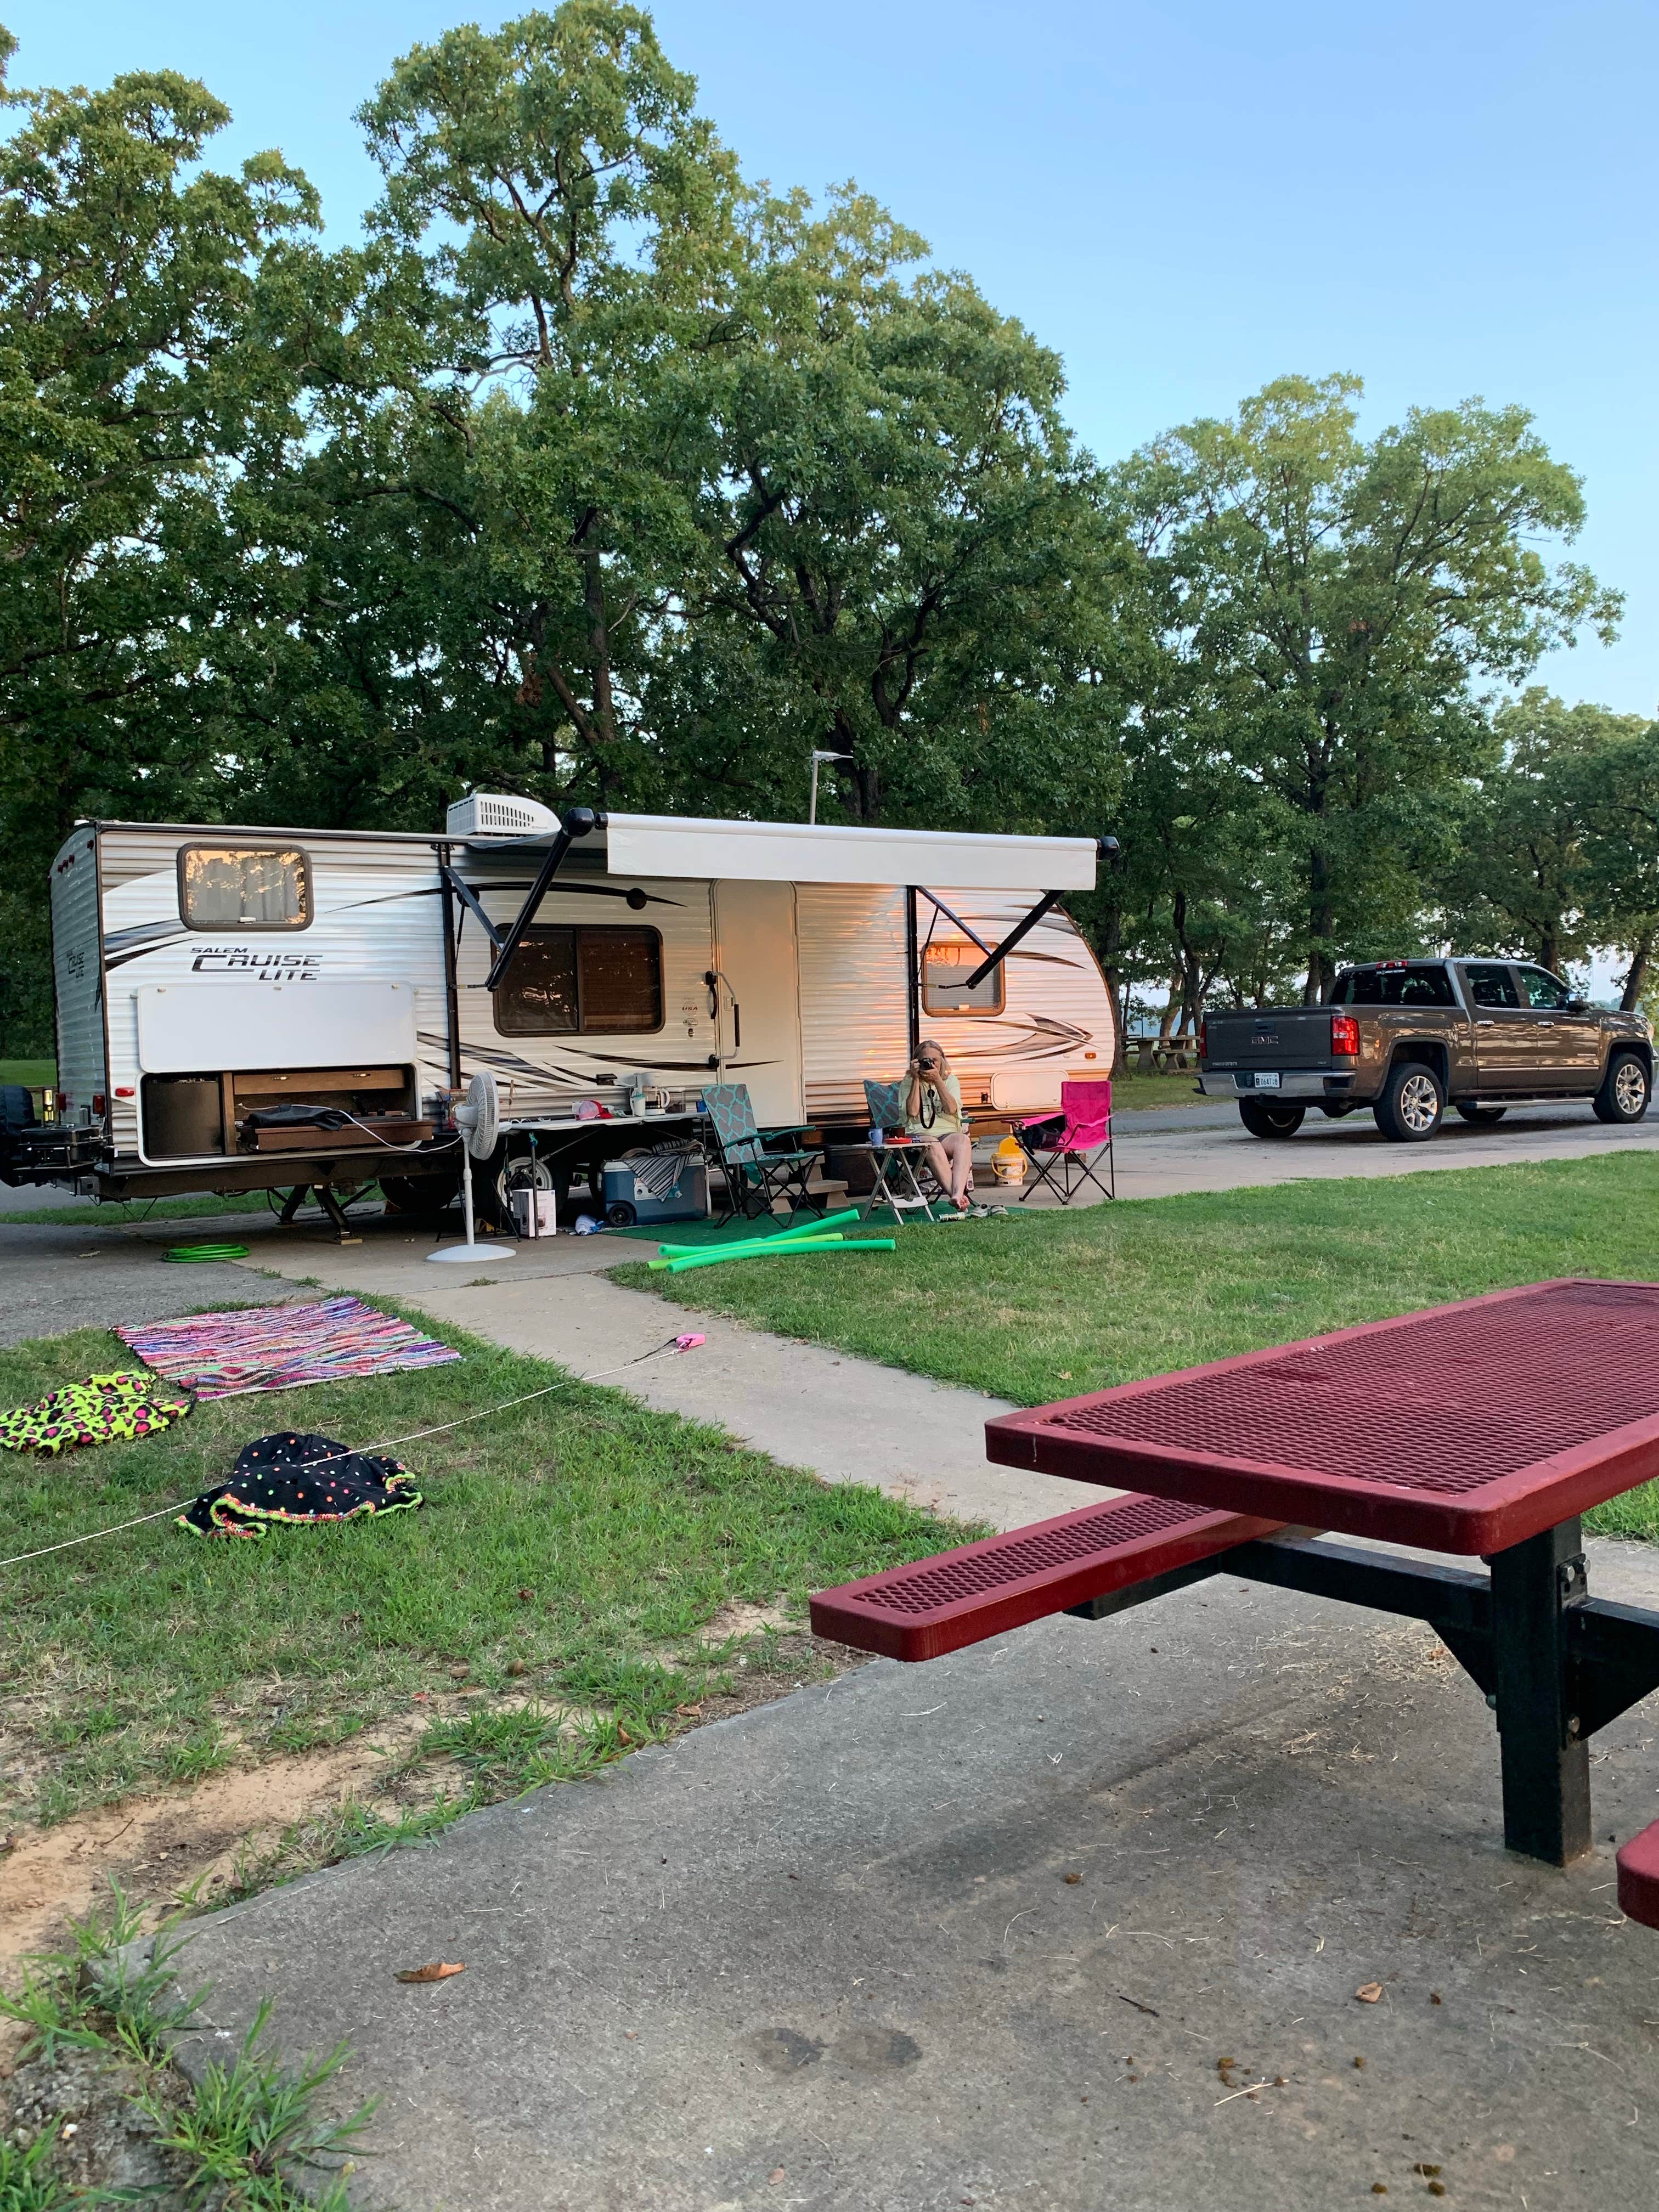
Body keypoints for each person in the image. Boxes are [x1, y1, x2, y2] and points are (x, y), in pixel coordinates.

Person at [905, 1040, 973, 1212]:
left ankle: (957, 1194)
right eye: (925, 1061)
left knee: (963, 1141)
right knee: (932, 1145)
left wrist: (938, 1082)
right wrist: (915, 1080)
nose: (930, 1064)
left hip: (946, 1134)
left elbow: (951, 1108)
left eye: (935, 1060)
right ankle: (957, 1196)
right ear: (916, 1062)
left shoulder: (951, 1080)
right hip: (918, 1135)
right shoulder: (908, 1081)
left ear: (942, 1060)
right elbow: (912, 1112)